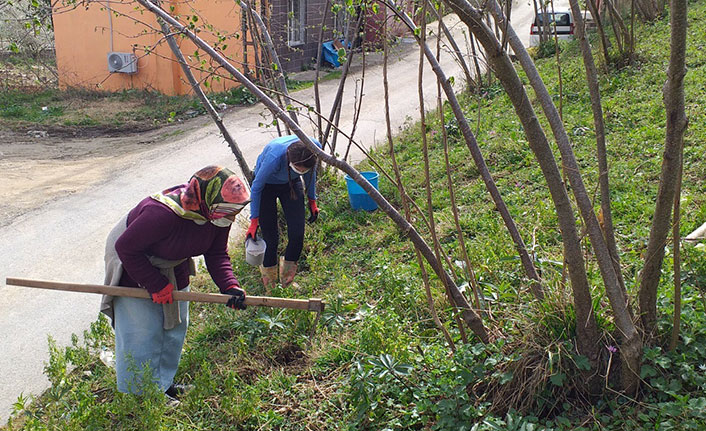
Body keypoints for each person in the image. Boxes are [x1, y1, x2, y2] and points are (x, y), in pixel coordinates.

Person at [101, 165, 249, 402]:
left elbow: (217, 254)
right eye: (227, 211)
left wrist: (229, 286)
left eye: (234, 212)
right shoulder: (161, 214)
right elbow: (126, 248)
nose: (231, 218)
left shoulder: (216, 213)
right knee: (143, 331)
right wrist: (155, 284)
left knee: (175, 326)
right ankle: (144, 395)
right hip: (133, 263)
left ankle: (164, 383)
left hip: (173, 259)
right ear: (206, 200)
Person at [245, 135, 321, 292]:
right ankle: (271, 286)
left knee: (297, 234)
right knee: (271, 239)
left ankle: (287, 282)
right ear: (289, 159)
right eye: (298, 168)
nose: (301, 171)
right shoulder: (275, 155)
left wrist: (312, 201)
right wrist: (254, 221)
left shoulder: (313, 148)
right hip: (266, 186)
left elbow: (310, 174)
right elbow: (257, 187)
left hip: (291, 185)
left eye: (303, 169)